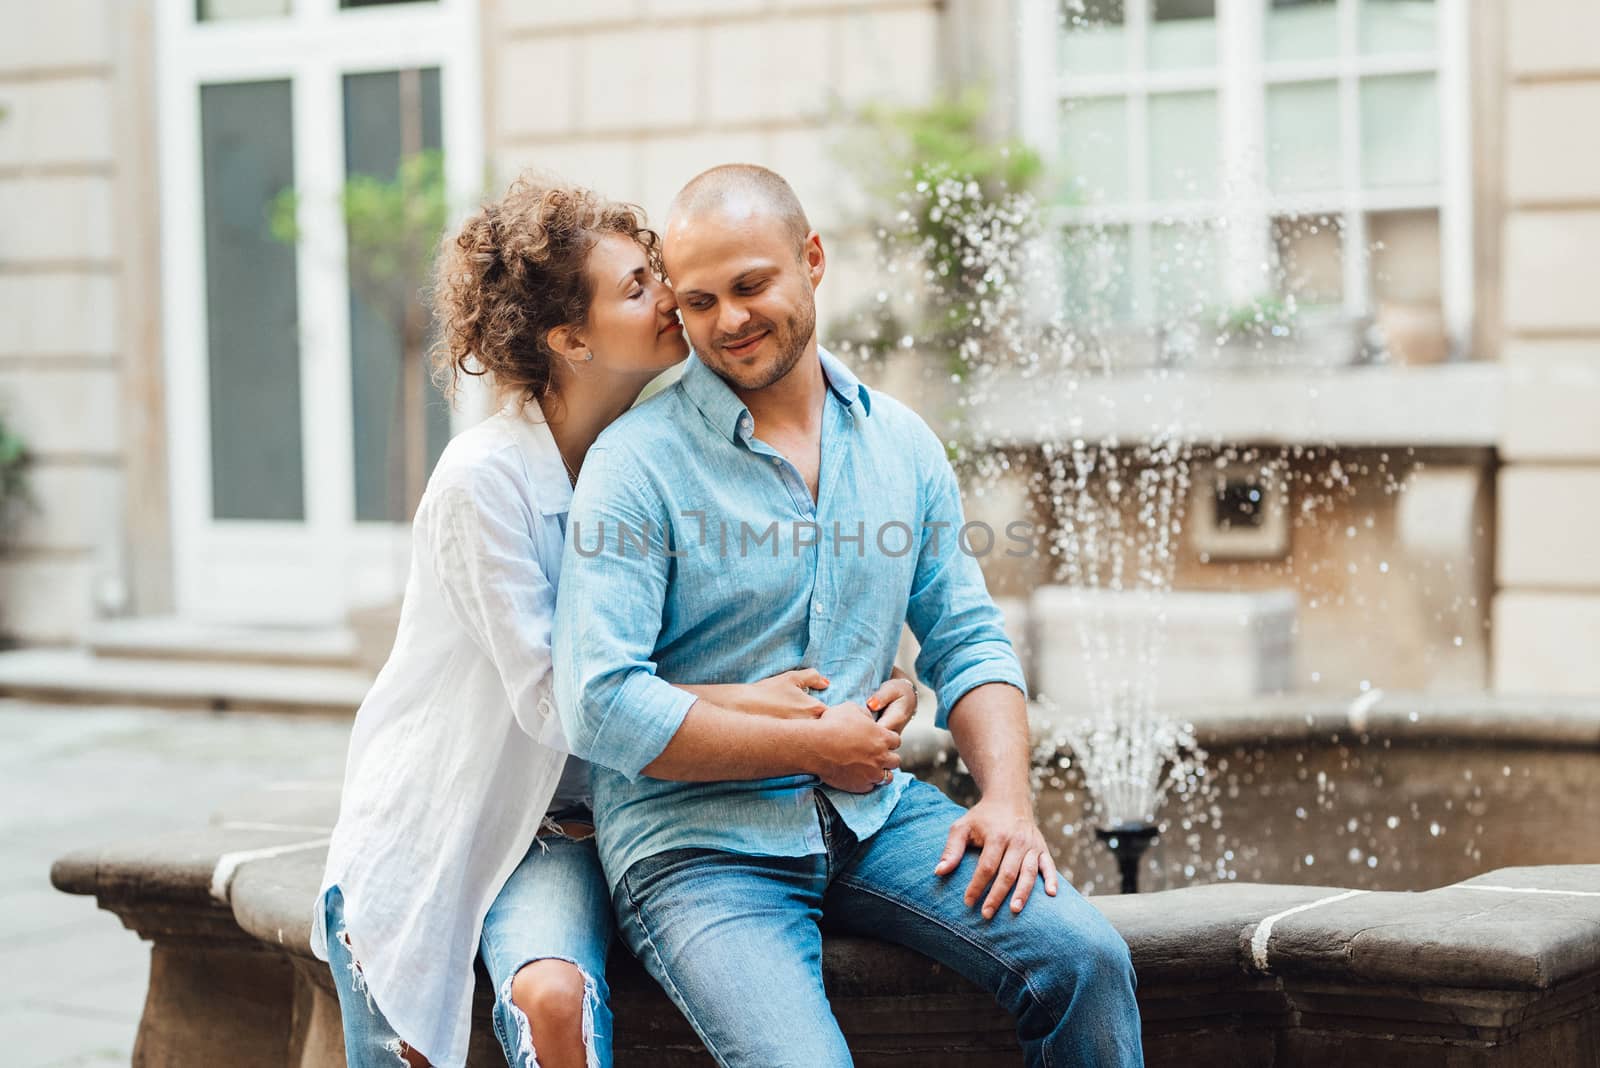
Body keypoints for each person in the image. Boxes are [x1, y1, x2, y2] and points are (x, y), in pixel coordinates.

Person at [311, 175, 918, 1068]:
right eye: (640, 287)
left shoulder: (644, 451)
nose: (673, 299)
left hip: (593, 822)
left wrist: (870, 684)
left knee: (564, 997)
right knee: (541, 1000)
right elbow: (560, 705)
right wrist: (759, 708)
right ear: (570, 340)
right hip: (461, 816)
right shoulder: (484, 483)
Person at [553, 164, 1145, 1067]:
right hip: (696, 849)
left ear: (812, 260)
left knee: (1087, 960)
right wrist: (807, 744)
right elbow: (597, 702)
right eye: (701, 300)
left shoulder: (901, 444)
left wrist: (1009, 803)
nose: (730, 321)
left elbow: (968, 641)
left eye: (752, 286)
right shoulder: (636, 462)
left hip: (872, 822)